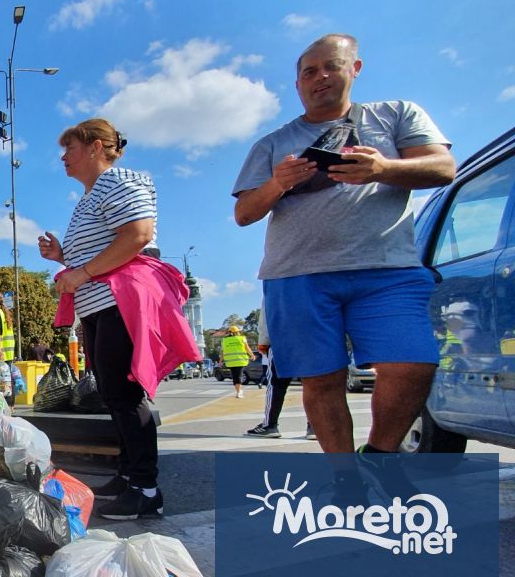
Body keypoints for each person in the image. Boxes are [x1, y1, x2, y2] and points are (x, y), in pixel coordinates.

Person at [232, 34, 455, 462]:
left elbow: (444, 168)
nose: (320, 78)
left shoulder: (395, 115)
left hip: (387, 268)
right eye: (309, 72)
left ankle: (380, 455)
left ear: (354, 68)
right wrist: (279, 183)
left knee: (412, 364)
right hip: (296, 273)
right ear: (296, 84)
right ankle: (343, 473)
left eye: (330, 66)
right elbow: (244, 213)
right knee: (320, 380)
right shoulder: (272, 143)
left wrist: (383, 168)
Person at [40, 117, 196, 520]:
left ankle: (146, 489)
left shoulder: (119, 181)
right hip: (99, 304)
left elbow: (139, 234)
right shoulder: (91, 196)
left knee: (125, 395)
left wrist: (80, 273)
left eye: (69, 148)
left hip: (119, 301)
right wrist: (63, 257)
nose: (63, 158)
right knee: (113, 393)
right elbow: (104, 246)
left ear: (94, 147)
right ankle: (129, 476)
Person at [244, 305, 315, 439]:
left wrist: (263, 340)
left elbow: (267, 310)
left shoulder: (274, 284)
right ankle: (314, 426)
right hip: (311, 338)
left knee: (276, 385)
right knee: (312, 384)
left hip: (281, 339)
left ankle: (270, 425)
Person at [220, 326, 253, 399]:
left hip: (231, 362)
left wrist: (220, 361)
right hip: (240, 361)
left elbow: (222, 351)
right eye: (238, 331)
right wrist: (252, 355)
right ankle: (239, 392)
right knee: (239, 376)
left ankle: (238, 391)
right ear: (235, 332)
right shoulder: (242, 338)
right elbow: (247, 348)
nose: (239, 332)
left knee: (235, 377)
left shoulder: (224, 340)